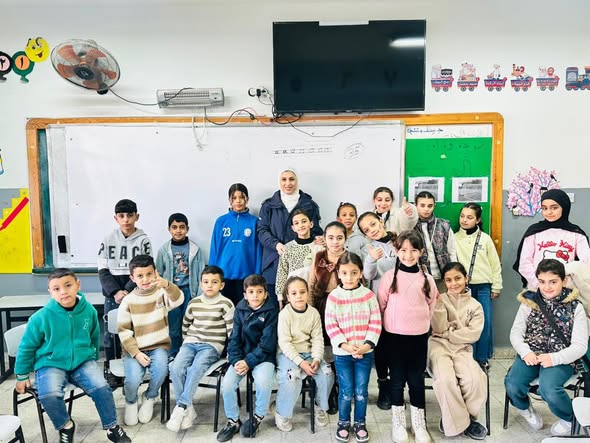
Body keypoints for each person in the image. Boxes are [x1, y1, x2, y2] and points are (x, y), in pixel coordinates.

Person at [14, 268, 131, 443]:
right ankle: (66, 425)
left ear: (78, 285)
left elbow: (93, 336)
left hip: (82, 361)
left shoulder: (89, 311)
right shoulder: (41, 317)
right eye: (57, 289)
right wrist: (22, 375)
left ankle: (112, 427)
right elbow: (26, 347)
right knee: (49, 394)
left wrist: (91, 358)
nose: (63, 291)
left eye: (68, 285)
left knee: (102, 387)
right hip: (50, 363)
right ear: (50, 292)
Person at [505, 259, 588, 436]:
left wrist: (554, 358)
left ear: (564, 281)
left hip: (562, 357)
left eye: (553, 282)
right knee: (512, 384)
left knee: (548, 388)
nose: (547, 287)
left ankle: (569, 418)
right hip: (531, 354)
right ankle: (525, 409)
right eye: (542, 282)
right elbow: (516, 333)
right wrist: (525, 352)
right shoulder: (529, 302)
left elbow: (580, 346)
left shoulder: (576, 306)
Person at [377, 230, 439, 443]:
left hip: (418, 337)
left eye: (413, 250)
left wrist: (420, 324)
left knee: (416, 379)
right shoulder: (389, 277)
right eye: (403, 250)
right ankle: (399, 423)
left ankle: (419, 424)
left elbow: (432, 306)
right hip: (394, 337)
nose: (408, 255)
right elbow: (381, 305)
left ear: (421, 252)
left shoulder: (427, 279)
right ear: (397, 251)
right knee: (397, 380)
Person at [118, 255, 184, 426]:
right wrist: (136, 353)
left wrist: (167, 285)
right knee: (133, 379)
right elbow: (124, 332)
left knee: (161, 370)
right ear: (132, 278)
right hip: (134, 349)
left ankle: (150, 396)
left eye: (149, 274)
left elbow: (179, 299)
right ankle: (131, 401)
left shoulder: (161, 293)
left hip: (158, 346)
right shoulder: (128, 301)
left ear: (155, 273)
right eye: (140, 276)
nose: (145, 279)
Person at [167, 265, 235, 432]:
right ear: (201, 284)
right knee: (176, 368)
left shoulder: (226, 304)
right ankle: (188, 408)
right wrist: (187, 342)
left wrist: (229, 353)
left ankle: (181, 407)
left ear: (222, 285)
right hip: (190, 343)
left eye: (214, 282)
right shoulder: (194, 302)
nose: (209, 285)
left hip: (211, 345)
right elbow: (185, 325)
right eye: (206, 282)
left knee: (195, 369)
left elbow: (231, 332)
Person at [325, 252, 382, 443]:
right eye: (344, 273)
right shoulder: (334, 297)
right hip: (342, 354)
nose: (349, 277)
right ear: (338, 273)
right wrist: (345, 345)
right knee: (346, 390)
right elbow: (331, 325)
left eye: (354, 273)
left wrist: (367, 345)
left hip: (365, 353)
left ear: (361, 273)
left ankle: (360, 423)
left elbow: (376, 322)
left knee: (361, 391)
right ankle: (343, 423)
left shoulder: (368, 296)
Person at [429, 262, 488, 440]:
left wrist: (449, 333)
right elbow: (437, 328)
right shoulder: (439, 299)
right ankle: (464, 423)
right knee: (445, 380)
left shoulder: (475, 306)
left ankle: (458, 418)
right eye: (448, 280)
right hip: (438, 346)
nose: (453, 283)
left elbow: (473, 334)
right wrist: (438, 304)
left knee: (474, 380)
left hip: (463, 348)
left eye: (457, 278)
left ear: (466, 278)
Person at [216, 275, 279, 441]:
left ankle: (257, 417)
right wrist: (236, 360)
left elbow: (267, 344)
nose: (255, 295)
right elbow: (234, 338)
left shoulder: (272, 311)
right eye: (251, 292)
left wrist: (248, 362)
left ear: (266, 294)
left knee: (263, 382)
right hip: (241, 357)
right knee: (228, 383)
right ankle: (233, 421)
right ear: (245, 295)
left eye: (259, 291)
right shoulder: (240, 309)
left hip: (264, 357)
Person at [274, 276, 334, 432]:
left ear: (308, 293)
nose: (299, 296)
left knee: (327, 373)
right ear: (288, 297)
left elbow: (318, 339)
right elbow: (285, 343)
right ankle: (282, 412)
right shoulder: (284, 314)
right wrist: (300, 363)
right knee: (291, 377)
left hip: (310, 353)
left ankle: (320, 406)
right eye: (294, 293)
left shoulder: (313, 313)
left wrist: (317, 358)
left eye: (302, 292)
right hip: (288, 354)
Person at [257, 168, 323, 304]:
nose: (288, 183)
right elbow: (262, 231)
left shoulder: (309, 205)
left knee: (304, 303)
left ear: (297, 181)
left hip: (303, 265)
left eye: (292, 179)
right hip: (273, 262)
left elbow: (316, 230)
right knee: (277, 305)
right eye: (284, 179)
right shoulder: (269, 206)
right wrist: (276, 244)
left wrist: (319, 239)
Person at [98, 198, 152, 362]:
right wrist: (116, 292)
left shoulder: (143, 240)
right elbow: (102, 269)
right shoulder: (108, 238)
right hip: (112, 295)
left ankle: (136, 363)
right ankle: (112, 365)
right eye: (121, 216)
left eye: (130, 215)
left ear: (137, 216)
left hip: (135, 292)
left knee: (135, 329)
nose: (126, 220)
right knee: (112, 332)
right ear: (116, 218)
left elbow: (145, 270)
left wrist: (127, 290)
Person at [357, 211, 397, 409]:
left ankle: (397, 385)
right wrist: (372, 259)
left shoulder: (398, 241)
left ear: (381, 221)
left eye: (373, 224)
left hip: (402, 303)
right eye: (366, 230)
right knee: (382, 346)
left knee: (398, 347)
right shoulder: (368, 249)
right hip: (380, 303)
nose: (372, 230)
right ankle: (383, 385)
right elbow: (368, 275)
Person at [513, 188, 590, 290]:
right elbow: (524, 263)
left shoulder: (576, 233)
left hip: (566, 289)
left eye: (554, 208)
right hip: (537, 289)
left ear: (564, 207)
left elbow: (586, 263)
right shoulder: (534, 232)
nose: (549, 212)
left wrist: (563, 284)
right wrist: (540, 284)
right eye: (544, 208)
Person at [455, 202, 502, 366]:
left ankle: (482, 359)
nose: (464, 220)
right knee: (465, 323)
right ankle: (468, 358)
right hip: (463, 288)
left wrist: (497, 285)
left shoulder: (485, 239)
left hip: (483, 287)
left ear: (478, 220)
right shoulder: (454, 238)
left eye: (469, 217)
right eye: (462, 216)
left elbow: (495, 264)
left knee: (484, 322)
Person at [308, 221, 348, 414]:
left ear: (345, 238)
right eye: (330, 237)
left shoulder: (350, 258)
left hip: (345, 308)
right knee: (325, 347)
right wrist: (310, 313)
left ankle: (341, 385)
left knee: (342, 346)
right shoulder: (318, 257)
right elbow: (310, 285)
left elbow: (360, 284)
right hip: (321, 306)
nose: (335, 242)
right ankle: (328, 389)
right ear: (324, 238)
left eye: (339, 238)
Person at [156, 212, 205, 358]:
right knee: (173, 326)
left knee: (189, 324)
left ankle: (187, 354)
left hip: (190, 291)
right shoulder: (164, 250)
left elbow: (201, 272)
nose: (178, 230)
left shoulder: (196, 250)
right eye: (174, 227)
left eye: (182, 227)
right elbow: (158, 272)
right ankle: (173, 353)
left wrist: (200, 295)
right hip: (172, 293)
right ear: (169, 229)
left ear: (187, 229)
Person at [209, 183, 262, 306]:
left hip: (246, 277)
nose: (238, 201)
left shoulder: (254, 222)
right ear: (229, 200)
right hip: (223, 277)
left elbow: (258, 251)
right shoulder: (221, 221)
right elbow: (214, 248)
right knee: (224, 310)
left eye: (241, 197)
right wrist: (212, 275)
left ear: (247, 199)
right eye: (234, 198)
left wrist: (257, 275)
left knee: (243, 311)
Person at [275, 209, 324, 305]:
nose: (301, 225)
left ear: (311, 224)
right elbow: (282, 274)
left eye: (304, 221)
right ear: (293, 228)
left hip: (315, 295)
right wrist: (280, 299)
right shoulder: (287, 248)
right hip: (295, 297)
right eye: (296, 223)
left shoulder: (320, 247)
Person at [414, 191, 457, 292]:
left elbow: (452, 251)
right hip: (419, 277)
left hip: (442, 277)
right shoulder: (410, 226)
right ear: (416, 205)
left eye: (430, 206)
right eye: (422, 205)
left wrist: (454, 273)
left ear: (434, 205)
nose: (426, 209)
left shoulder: (444, 225)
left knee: (442, 301)